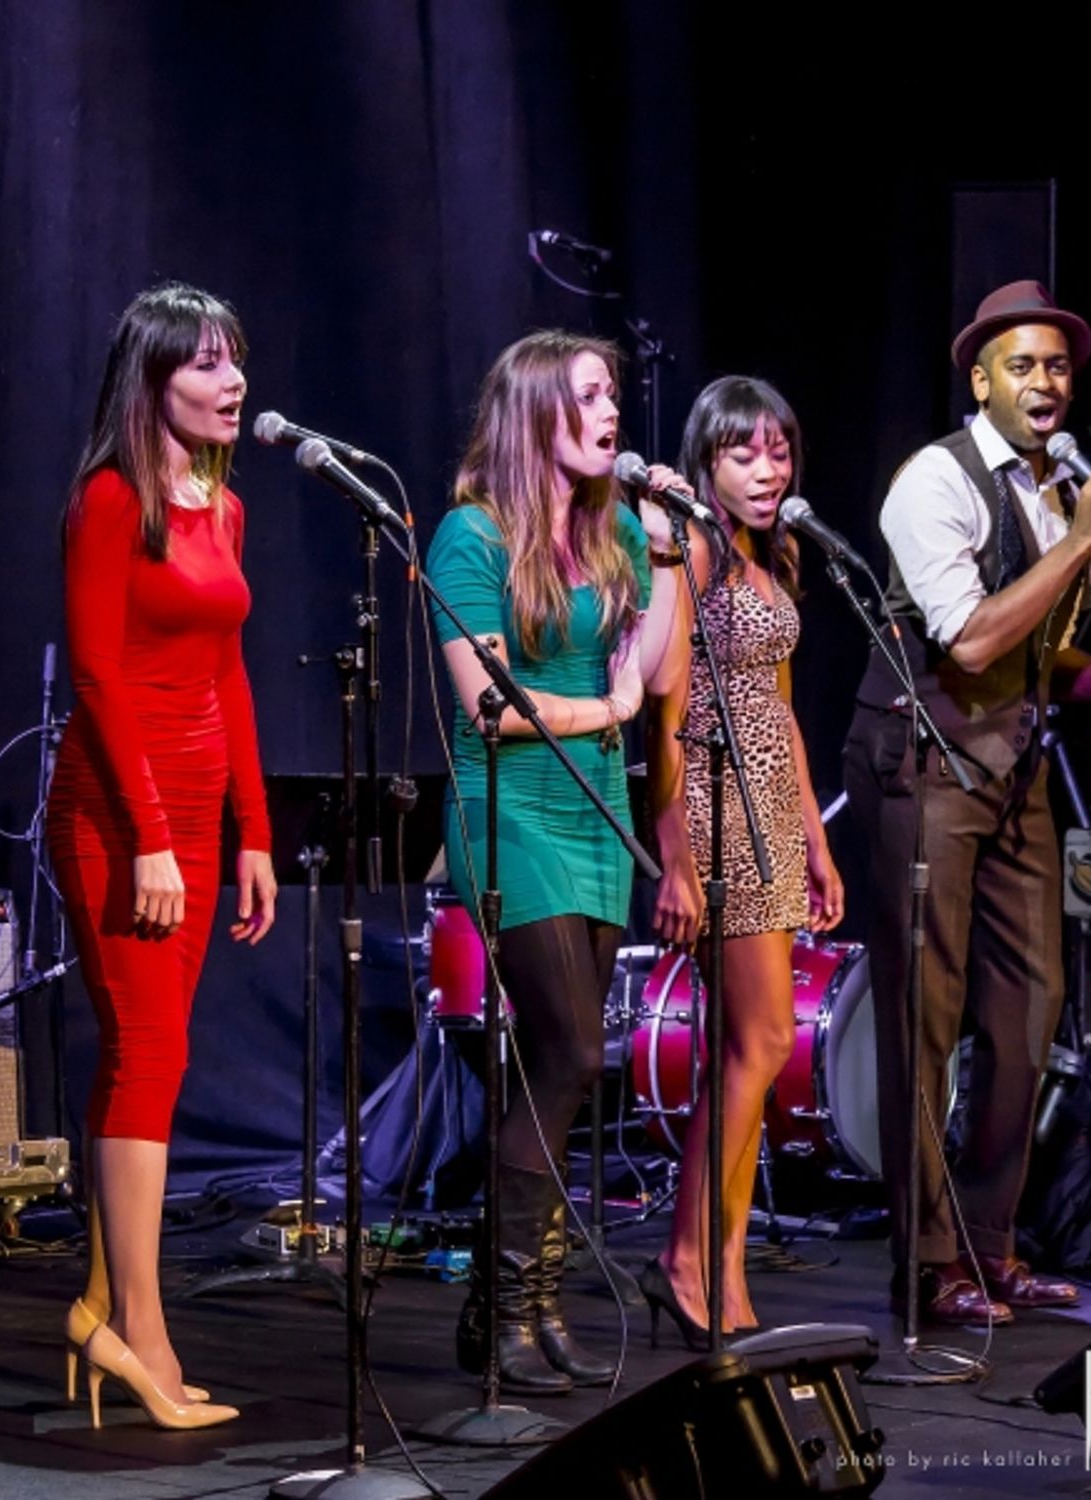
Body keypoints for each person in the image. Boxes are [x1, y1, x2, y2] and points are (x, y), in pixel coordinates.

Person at [843, 280, 1091, 1325]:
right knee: (925, 1025)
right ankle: (927, 1260)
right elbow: (973, 639)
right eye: (1022, 366)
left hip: (1015, 769)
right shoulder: (932, 483)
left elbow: (1032, 647)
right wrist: (1079, 540)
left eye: (1058, 366)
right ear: (980, 379)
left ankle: (990, 1245)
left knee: (1028, 1022)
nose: (1045, 383)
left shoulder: (1047, 487)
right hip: (923, 764)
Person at [426, 329, 683, 1393]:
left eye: (614, 391)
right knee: (572, 1046)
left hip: (593, 809)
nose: (612, 408)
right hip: (511, 811)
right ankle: (506, 1294)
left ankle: (527, 1302)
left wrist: (666, 554)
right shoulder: (469, 537)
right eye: (589, 394)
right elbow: (488, 704)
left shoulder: (613, 525)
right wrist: (608, 708)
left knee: (562, 1063)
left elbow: (654, 665)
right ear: (538, 413)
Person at [47, 283, 276, 1427]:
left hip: (193, 819)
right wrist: (148, 840)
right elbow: (95, 677)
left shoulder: (221, 506)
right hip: (114, 818)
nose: (233, 382)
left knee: (153, 1062)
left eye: (235, 360)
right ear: (153, 382)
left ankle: (102, 1307)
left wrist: (254, 835)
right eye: (205, 365)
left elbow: (228, 674)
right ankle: (139, 1328)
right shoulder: (108, 500)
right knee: (148, 1055)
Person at [642, 376, 844, 1344]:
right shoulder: (691, 555)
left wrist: (814, 836)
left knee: (745, 1058)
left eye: (779, 452)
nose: (768, 472)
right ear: (705, 463)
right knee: (762, 1041)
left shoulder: (776, 556)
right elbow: (667, 719)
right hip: (718, 807)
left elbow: (785, 709)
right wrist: (675, 852)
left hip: (771, 810)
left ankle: (723, 1263)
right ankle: (684, 1254)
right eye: (744, 454)